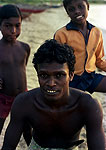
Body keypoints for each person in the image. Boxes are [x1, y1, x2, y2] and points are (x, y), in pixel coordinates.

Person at [2, 39, 106, 150]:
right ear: (37, 75)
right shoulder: (24, 103)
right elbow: (8, 147)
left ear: (71, 75)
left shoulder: (88, 105)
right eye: (44, 75)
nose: (51, 83)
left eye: (59, 75)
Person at [54, 0, 106, 94]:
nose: (77, 11)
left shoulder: (96, 32)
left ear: (88, 7)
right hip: (71, 80)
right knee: (76, 104)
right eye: (72, 9)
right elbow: (57, 62)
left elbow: (99, 60)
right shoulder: (61, 34)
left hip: (90, 77)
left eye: (81, 7)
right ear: (68, 13)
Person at [0, 4, 32, 145]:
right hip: (2, 99)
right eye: (8, 26)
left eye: (17, 26)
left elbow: (22, 69)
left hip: (23, 97)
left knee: (27, 129)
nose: (13, 31)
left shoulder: (25, 48)